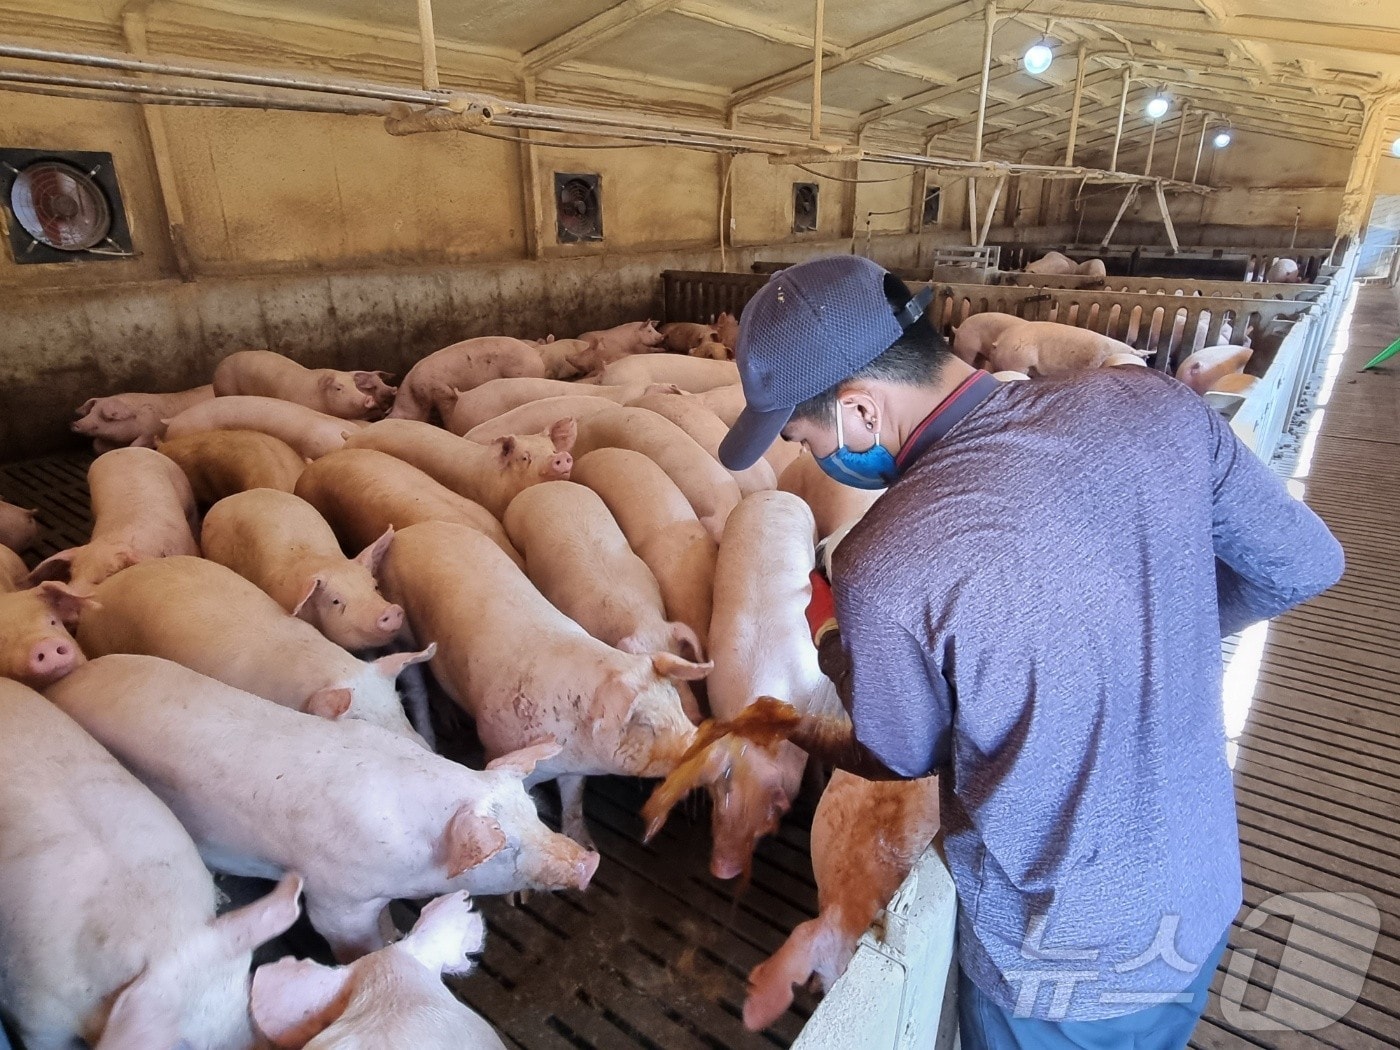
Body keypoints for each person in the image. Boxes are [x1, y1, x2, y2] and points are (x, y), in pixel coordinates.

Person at [715, 255, 1344, 1049]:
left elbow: (900, 753)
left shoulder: (884, 561)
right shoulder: (1159, 408)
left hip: (1053, 954)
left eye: (806, 438)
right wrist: (1149, 621)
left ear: (860, 414)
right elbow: (1307, 563)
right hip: (1199, 890)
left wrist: (837, 645)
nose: (815, 458)